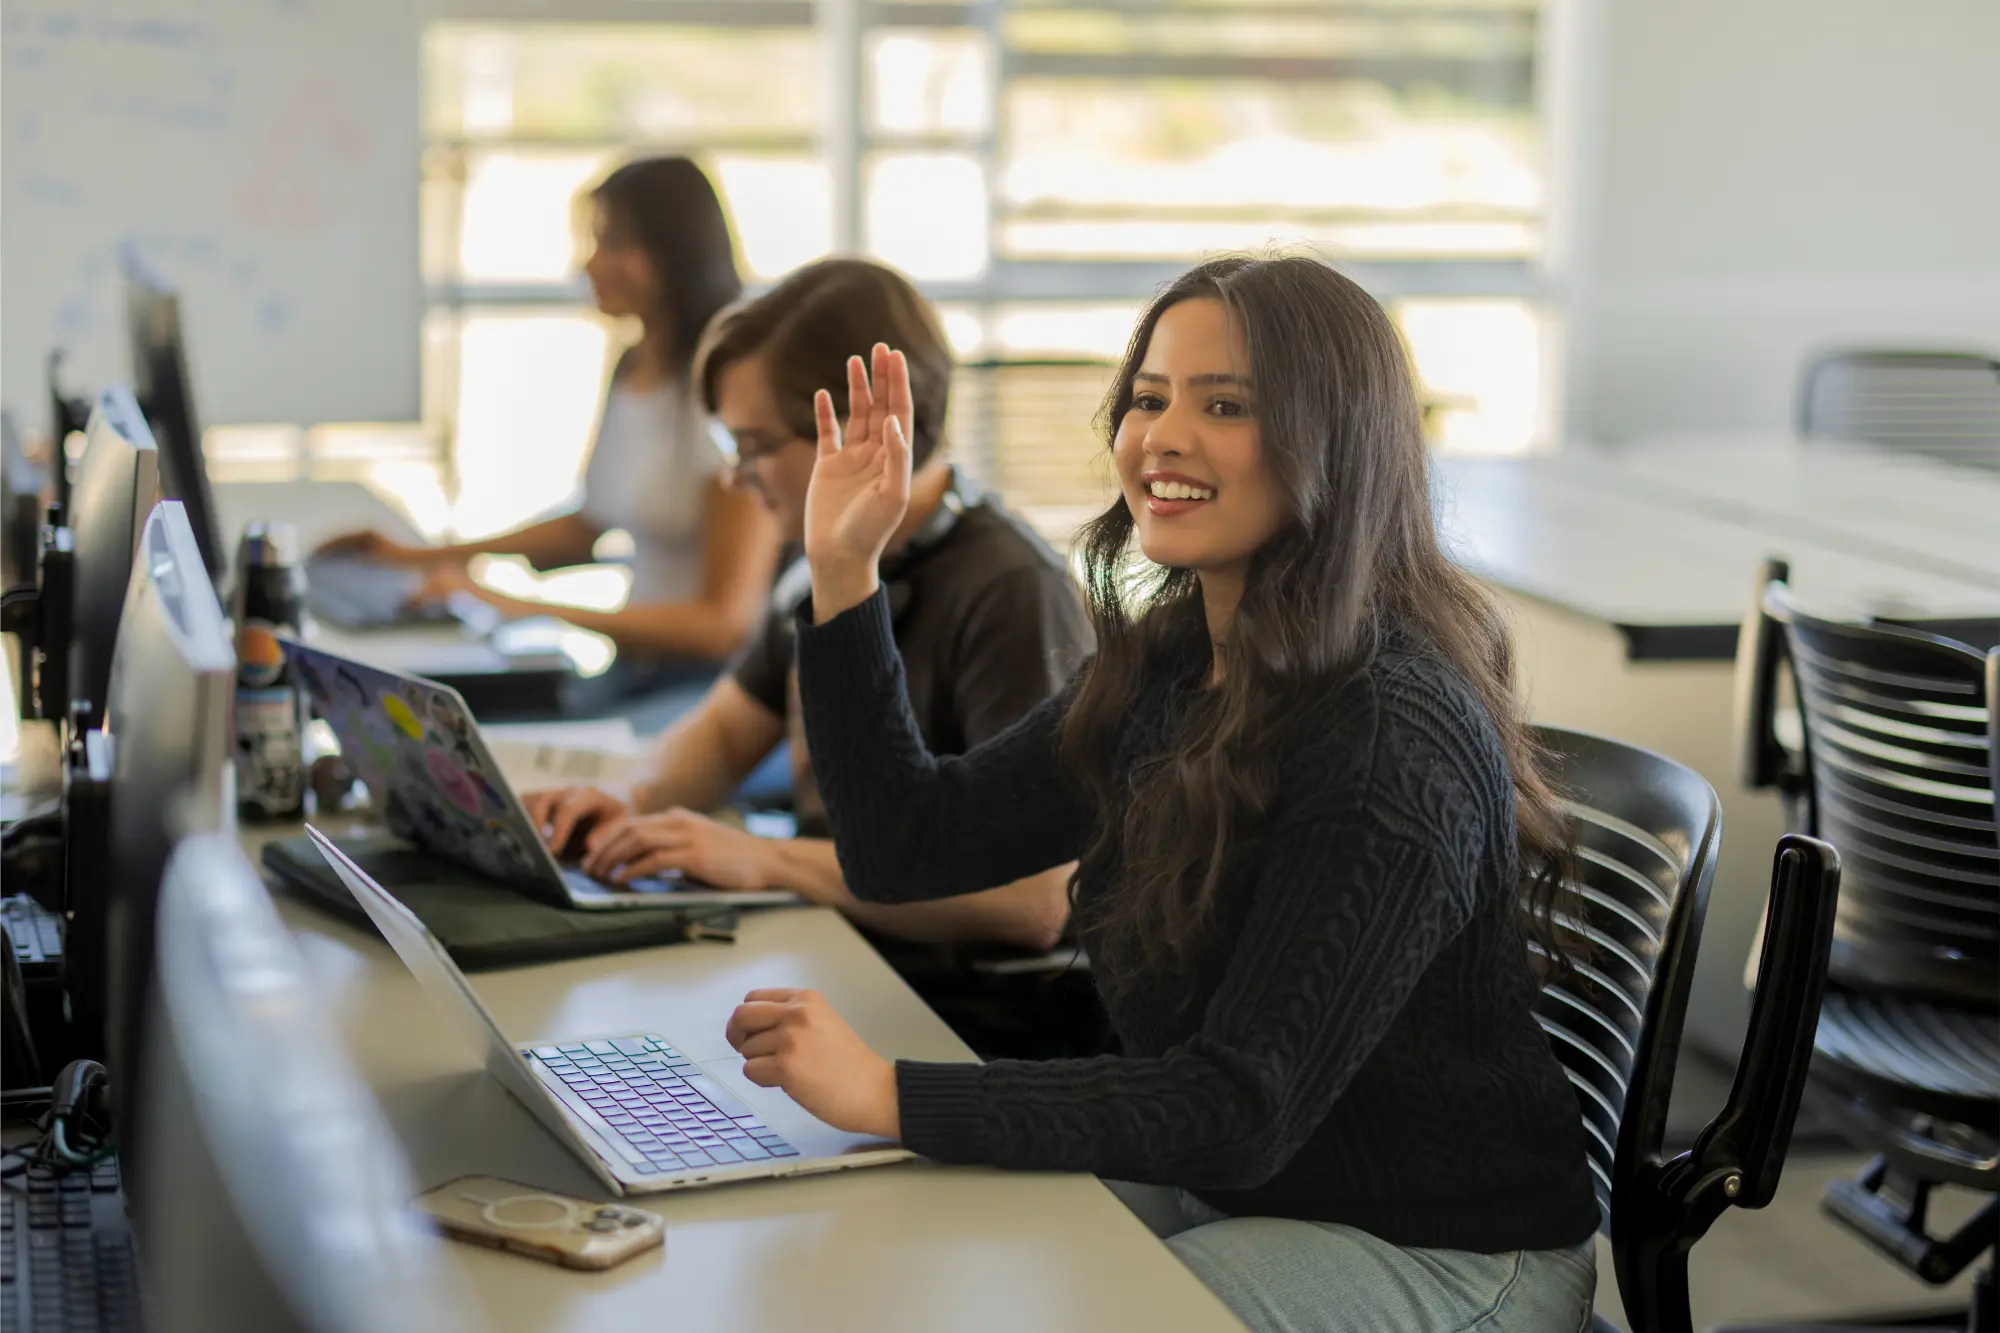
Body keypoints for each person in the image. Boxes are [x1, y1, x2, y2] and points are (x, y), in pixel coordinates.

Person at [719, 257, 1602, 1331]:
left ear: (1333, 442)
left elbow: (1241, 1104)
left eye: (1223, 405)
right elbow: (903, 846)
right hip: (1239, 1185)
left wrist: (891, 1092)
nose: (1161, 437)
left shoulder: (1385, 737)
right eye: (1146, 398)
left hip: (1438, 1247)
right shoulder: (1171, 663)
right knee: (906, 1259)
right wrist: (844, 570)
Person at [524, 258, 1095, 1054]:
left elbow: (1030, 902)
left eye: (754, 446)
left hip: (966, 1021)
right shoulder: (814, 570)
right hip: (843, 959)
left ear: (863, 436)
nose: (735, 476)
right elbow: (725, 733)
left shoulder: (1010, 590)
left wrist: (767, 860)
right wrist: (624, 800)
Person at [318, 157, 782, 719]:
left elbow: (724, 625)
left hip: (710, 689)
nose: (589, 263)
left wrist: (519, 605)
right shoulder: (636, 366)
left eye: (612, 243)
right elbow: (586, 529)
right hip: (632, 671)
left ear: (674, 252)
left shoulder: (726, 391)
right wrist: (413, 557)